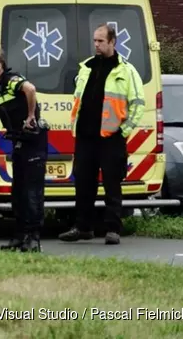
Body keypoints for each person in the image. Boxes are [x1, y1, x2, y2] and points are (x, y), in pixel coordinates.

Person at [59, 24, 145, 245]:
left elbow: (137, 105)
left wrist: (123, 131)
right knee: (84, 184)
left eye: (100, 41)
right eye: (95, 41)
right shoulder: (86, 67)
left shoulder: (126, 71)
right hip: (86, 136)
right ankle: (82, 227)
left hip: (111, 137)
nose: (96, 45)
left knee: (112, 184)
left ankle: (113, 229)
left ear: (112, 42)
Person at [0, 49, 47, 252]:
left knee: (32, 192)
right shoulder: (0, 88)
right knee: (18, 193)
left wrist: (30, 116)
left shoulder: (11, 79)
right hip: (19, 141)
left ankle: (33, 239)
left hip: (32, 141)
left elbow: (31, 89)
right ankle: (20, 236)